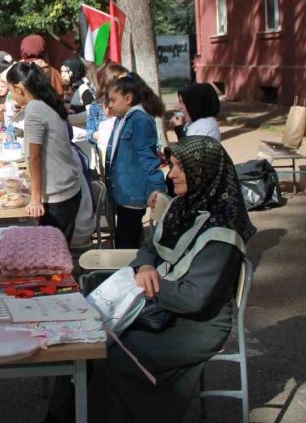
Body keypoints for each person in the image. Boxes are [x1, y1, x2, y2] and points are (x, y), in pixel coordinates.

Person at [44, 136, 255, 423]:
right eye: (174, 166)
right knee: (85, 336)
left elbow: (194, 298)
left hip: (196, 325)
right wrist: (144, 269)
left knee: (108, 355)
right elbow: (149, 248)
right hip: (163, 307)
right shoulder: (186, 207)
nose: (172, 174)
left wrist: (149, 286)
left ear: (202, 172)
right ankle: (60, 417)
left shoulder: (222, 235)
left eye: (180, 167)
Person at [6, 62, 83, 241]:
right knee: (60, 255)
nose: (11, 96)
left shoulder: (34, 110)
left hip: (58, 197)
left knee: (53, 258)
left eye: (11, 91)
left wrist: (35, 199)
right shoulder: (45, 102)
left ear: (19, 88)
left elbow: (35, 157)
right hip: (68, 190)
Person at [105, 73, 167, 249]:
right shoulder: (123, 118)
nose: (110, 105)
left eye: (113, 100)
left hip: (132, 195)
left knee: (127, 244)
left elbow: (148, 158)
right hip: (123, 193)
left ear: (128, 99)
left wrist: (157, 189)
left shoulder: (139, 120)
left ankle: (131, 274)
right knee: (125, 239)